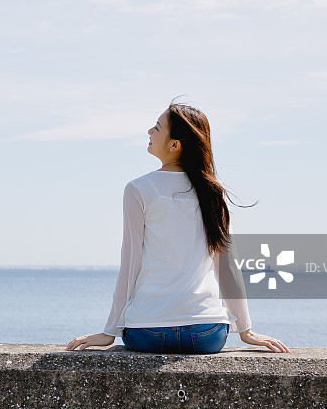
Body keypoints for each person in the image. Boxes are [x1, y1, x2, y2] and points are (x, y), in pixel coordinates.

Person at [66, 101, 288, 354]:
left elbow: (130, 264)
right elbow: (226, 265)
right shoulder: (214, 192)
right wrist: (246, 330)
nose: (150, 131)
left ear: (175, 145)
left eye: (158, 128)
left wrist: (109, 331)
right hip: (207, 333)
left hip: (147, 332)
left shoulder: (139, 189)